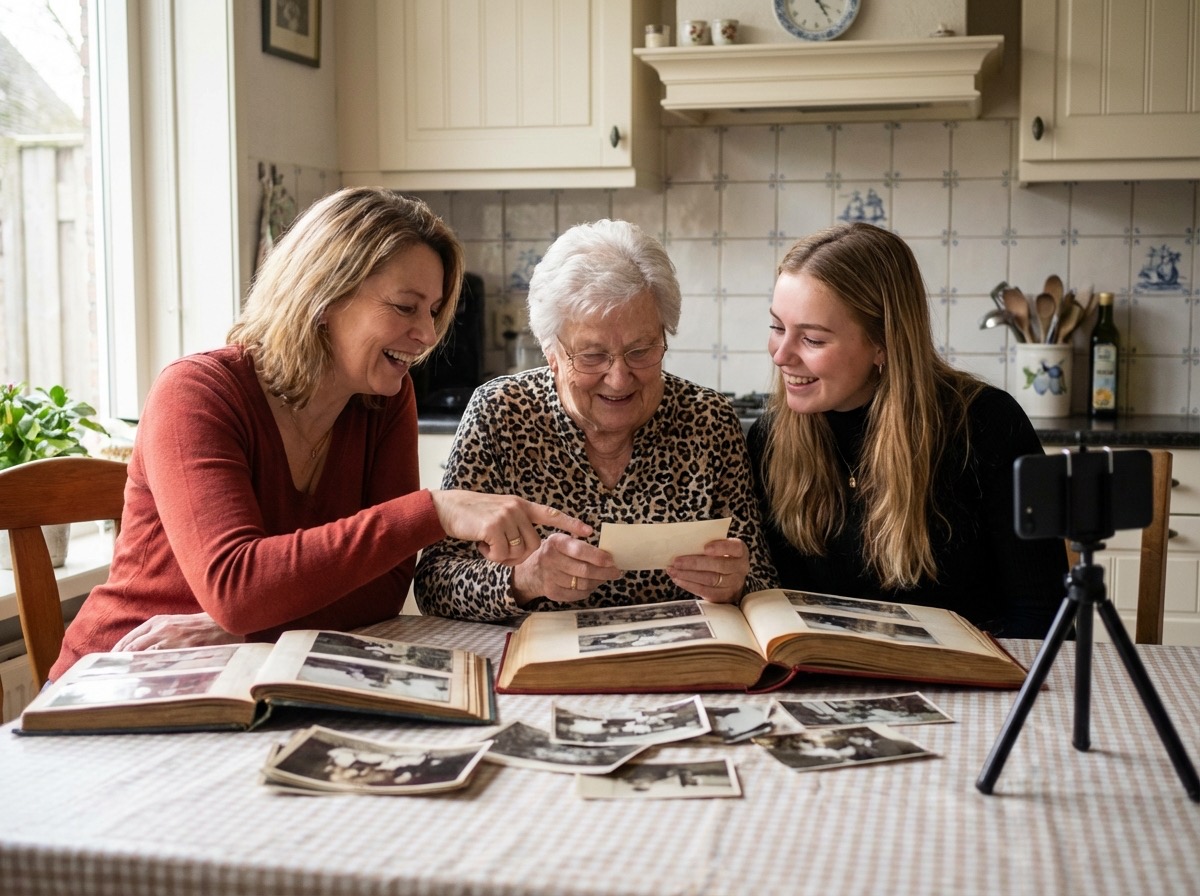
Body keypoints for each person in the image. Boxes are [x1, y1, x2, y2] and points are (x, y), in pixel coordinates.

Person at [49, 188, 589, 680]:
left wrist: (249, 629)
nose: (425, 335)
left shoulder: (384, 397)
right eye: (405, 307)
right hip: (122, 677)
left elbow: (379, 590)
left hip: (256, 670)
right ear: (324, 295)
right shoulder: (196, 393)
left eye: (432, 311)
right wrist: (434, 510)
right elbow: (236, 588)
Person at [414, 219, 777, 621]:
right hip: (541, 666)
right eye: (592, 356)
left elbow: (760, 577)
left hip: (678, 666)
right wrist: (524, 580)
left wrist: (737, 584)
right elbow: (434, 582)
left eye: (641, 351)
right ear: (551, 353)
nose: (619, 378)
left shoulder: (708, 421)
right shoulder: (501, 413)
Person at [746, 221, 1064, 639]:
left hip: (968, 687)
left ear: (883, 343)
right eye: (777, 327)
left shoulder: (986, 425)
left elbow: (1043, 614)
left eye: (813, 340)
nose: (781, 354)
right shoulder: (770, 438)